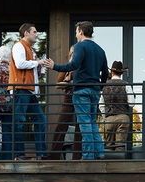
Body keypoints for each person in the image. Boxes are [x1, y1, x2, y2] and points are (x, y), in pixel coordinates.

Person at [47, 21, 109, 160]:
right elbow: (105, 72)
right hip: (94, 91)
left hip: (81, 90)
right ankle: (100, 153)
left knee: (85, 123)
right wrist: (100, 87)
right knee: (92, 122)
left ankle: (87, 157)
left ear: (81, 31)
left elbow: (73, 65)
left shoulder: (80, 46)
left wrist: (54, 66)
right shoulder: (100, 50)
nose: (75, 35)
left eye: (76, 32)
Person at [9, 23, 51, 160]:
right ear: (26, 33)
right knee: (20, 121)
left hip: (29, 90)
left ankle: (41, 154)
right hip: (20, 89)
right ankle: (19, 155)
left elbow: (30, 68)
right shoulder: (19, 46)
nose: (36, 34)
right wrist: (38, 63)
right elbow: (20, 64)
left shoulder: (29, 49)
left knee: (40, 119)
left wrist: (41, 69)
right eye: (34, 31)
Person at [48, 46, 82, 160]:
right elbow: (58, 84)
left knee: (79, 127)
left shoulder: (81, 65)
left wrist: (70, 82)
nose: (73, 54)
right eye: (71, 52)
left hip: (80, 95)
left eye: (75, 52)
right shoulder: (66, 67)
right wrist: (69, 83)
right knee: (61, 125)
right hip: (68, 97)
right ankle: (54, 155)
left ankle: (77, 156)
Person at [101, 61, 134, 150]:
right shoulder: (126, 85)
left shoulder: (104, 86)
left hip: (109, 118)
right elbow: (132, 103)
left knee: (108, 146)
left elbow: (101, 105)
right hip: (123, 117)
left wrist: (106, 117)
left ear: (111, 72)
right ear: (121, 73)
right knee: (120, 146)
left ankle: (108, 163)